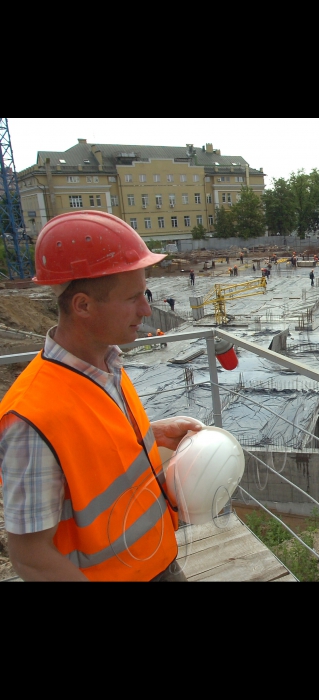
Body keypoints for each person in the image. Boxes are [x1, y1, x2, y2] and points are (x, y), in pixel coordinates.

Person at [0, 211, 201, 581]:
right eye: (134, 298)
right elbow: (30, 556)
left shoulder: (106, 364)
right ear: (83, 306)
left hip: (159, 562)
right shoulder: (29, 419)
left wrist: (147, 436)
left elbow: (85, 453)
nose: (146, 309)